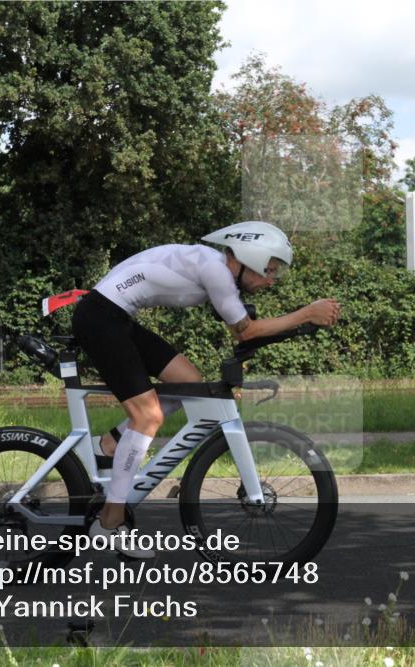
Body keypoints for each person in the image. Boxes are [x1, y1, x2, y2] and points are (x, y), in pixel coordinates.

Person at [71, 221, 341, 558]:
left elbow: (248, 326)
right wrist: (306, 313)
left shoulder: (216, 270)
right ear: (248, 259)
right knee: (148, 416)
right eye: (269, 270)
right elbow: (245, 331)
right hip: (101, 318)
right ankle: (109, 523)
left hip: (116, 316)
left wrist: (299, 324)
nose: (272, 280)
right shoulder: (216, 271)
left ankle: (110, 445)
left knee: (188, 381)